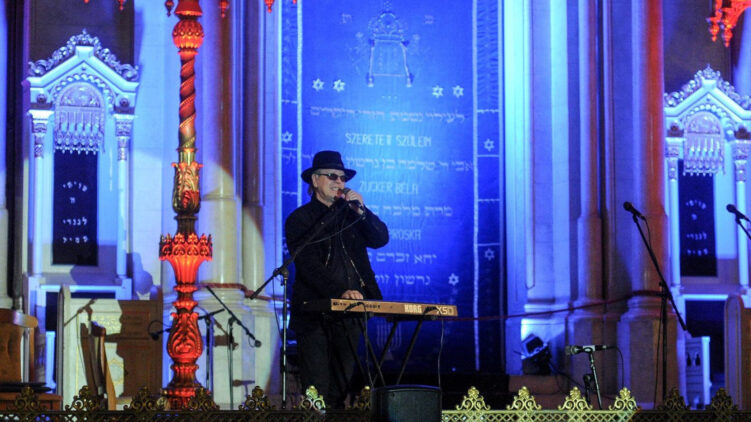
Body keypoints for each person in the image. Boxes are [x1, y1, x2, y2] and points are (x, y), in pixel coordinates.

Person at [285, 150, 389, 408]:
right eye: (332, 176)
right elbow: (308, 266)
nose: (339, 182)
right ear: (315, 180)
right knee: (316, 388)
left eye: (343, 178)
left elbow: (380, 239)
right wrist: (340, 291)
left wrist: (363, 211)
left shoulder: (352, 215)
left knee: (340, 387)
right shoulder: (300, 219)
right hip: (314, 313)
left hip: (350, 312)